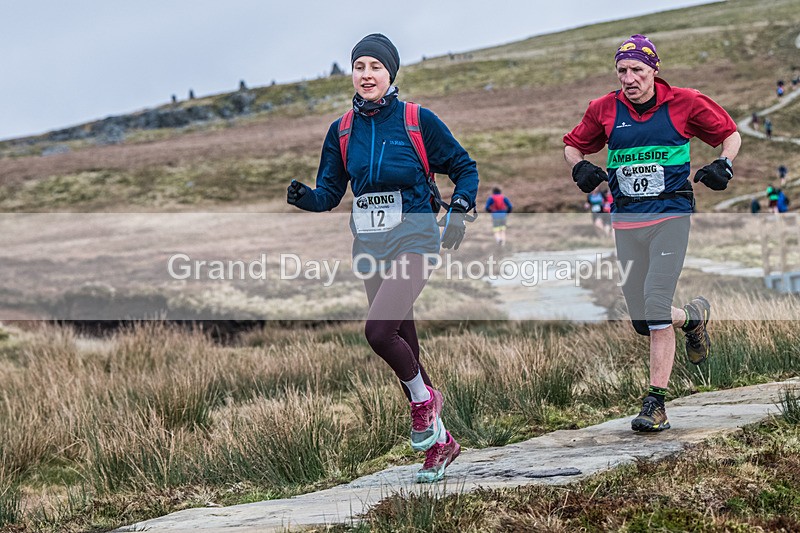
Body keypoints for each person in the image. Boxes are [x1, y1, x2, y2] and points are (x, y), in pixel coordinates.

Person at [286, 33, 477, 482]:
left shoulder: (417, 120)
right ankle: (441, 443)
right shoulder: (342, 131)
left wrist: (460, 210)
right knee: (403, 343)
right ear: (351, 74)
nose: (366, 74)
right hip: (370, 247)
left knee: (377, 331)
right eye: (359, 67)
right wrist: (306, 199)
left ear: (390, 73)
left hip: (415, 238)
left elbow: (464, 166)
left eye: (375, 66)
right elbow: (331, 193)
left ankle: (423, 402)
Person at [563, 34, 741, 432]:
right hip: (627, 221)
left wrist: (723, 164)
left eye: (637, 70)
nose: (629, 78)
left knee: (656, 303)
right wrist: (579, 167)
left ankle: (655, 403)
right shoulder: (603, 109)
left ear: (654, 70)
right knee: (644, 319)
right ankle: (693, 319)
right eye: (622, 70)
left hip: (671, 216)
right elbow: (572, 145)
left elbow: (731, 134)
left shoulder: (686, 102)